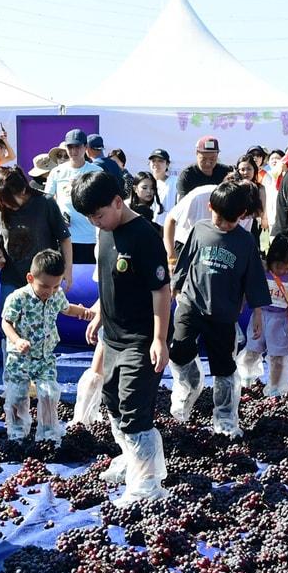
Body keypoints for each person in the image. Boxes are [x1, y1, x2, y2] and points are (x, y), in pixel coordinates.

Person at [73, 170, 171, 506]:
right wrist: (100, 314)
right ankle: (132, 459)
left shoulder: (144, 236)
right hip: (113, 337)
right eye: (89, 218)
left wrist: (160, 339)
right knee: (113, 402)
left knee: (133, 409)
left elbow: (161, 291)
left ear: (118, 201)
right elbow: (108, 280)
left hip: (140, 339)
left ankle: (147, 485)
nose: (95, 223)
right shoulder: (105, 232)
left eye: (98, 215)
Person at [167, 181, 271, 438]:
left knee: (224, 366)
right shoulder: (200, 229)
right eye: (220, 218)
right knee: (178, 350)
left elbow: (254, 280)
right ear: (210, 207)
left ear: (242, 216)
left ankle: (225, 417)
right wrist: (175, 287)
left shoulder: (245, 242)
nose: (224, 225)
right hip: (191, 303)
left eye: (231, 221)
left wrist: (258, 313)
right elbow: (185, 261)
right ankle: (189, 384)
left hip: (224, 313)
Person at [1, 248, 94, 443]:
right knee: (17, 394)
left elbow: (66, 309)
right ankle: (17, 430)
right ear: (30, 278)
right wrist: (17, 340)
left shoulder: (56, 295)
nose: (49, 292)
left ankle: (48, 432)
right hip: (20, 358)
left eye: (55, 286)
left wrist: (83, 312)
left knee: (49, 393)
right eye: (44, 286)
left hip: (45, 357)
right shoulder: (18, 298)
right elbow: (6, 323)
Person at [0, 167, 73, 300]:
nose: (5, 205)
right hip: (11, 279)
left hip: (44, 280)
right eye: (1, 201)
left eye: (9, 201)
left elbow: (64, 239)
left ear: (23, 190)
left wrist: (68, 270)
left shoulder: (45, 203)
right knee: (10, 314)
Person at [240, 235, 288, 398]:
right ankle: (246, 377)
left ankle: (275, 387)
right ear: (270, 261)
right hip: (259, 317)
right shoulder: (262, 272)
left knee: (278, 357)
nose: (282, 271)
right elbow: (248, 290)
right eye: (279, 267)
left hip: (280, 321)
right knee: (252, 351)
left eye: (287, 268)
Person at [44, 129, 104, 263]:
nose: (73, 151)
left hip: (91, 237)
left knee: (90, 275)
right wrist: (57, 218)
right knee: (65, 274)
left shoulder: (97, 171)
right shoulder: (57, 172)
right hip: (64, 237)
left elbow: (104, 201)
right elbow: (47, 200)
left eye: (77, 146)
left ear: (85, 147)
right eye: (70, 147)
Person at [176, 136, 231, 202]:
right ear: (197, 154)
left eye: (212, 159)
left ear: (217, 155)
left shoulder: (226, 173)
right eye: (203, 159)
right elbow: (182, 203)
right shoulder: (187, 176)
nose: (208, 163)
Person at [148, 148, 175, 213]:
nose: (156, 163)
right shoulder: (144, 182)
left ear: (167, 164)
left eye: (160, 161)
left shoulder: (175, 182)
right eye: (153, 161)